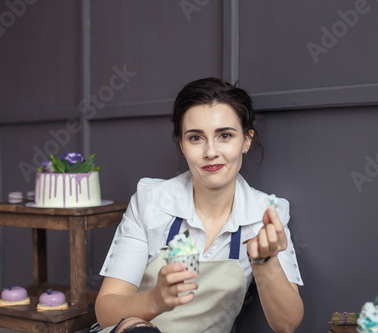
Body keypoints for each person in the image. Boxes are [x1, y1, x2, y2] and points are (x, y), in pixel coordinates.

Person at [94, 77, 304, 333]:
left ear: (246, 140)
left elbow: (286, 324)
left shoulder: (266, 216)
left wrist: (266, 263)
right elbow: (105, 311)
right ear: (181, 144)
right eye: (196, 138)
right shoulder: (150, 201)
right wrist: (156, 300)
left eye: (225, 135)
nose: (211, 152)